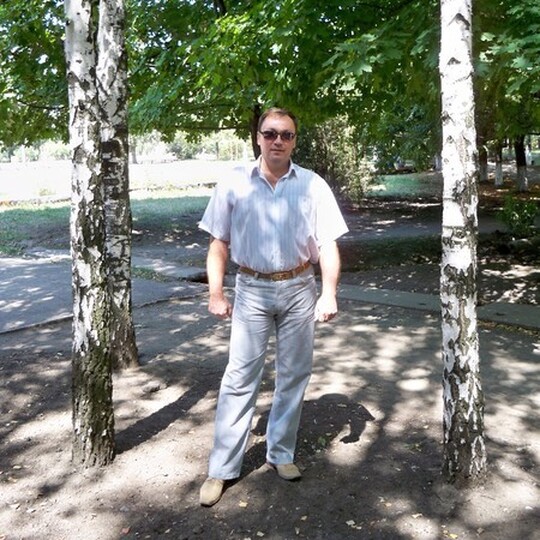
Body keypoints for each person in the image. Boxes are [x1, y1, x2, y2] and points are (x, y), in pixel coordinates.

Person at [198, 107, 348, 506]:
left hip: (300, 287)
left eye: (286, 134)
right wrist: (216, 293)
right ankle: (221, 468)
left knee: (295, 374)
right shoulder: (233, 183)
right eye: (270, 133)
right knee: (239, 376)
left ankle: (280, 453)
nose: (277, 140)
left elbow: (329, 244)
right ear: (258, 138)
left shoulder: (313, 185)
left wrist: (329, 292)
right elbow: (218, 243)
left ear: (295, 140)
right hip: (251, 288)